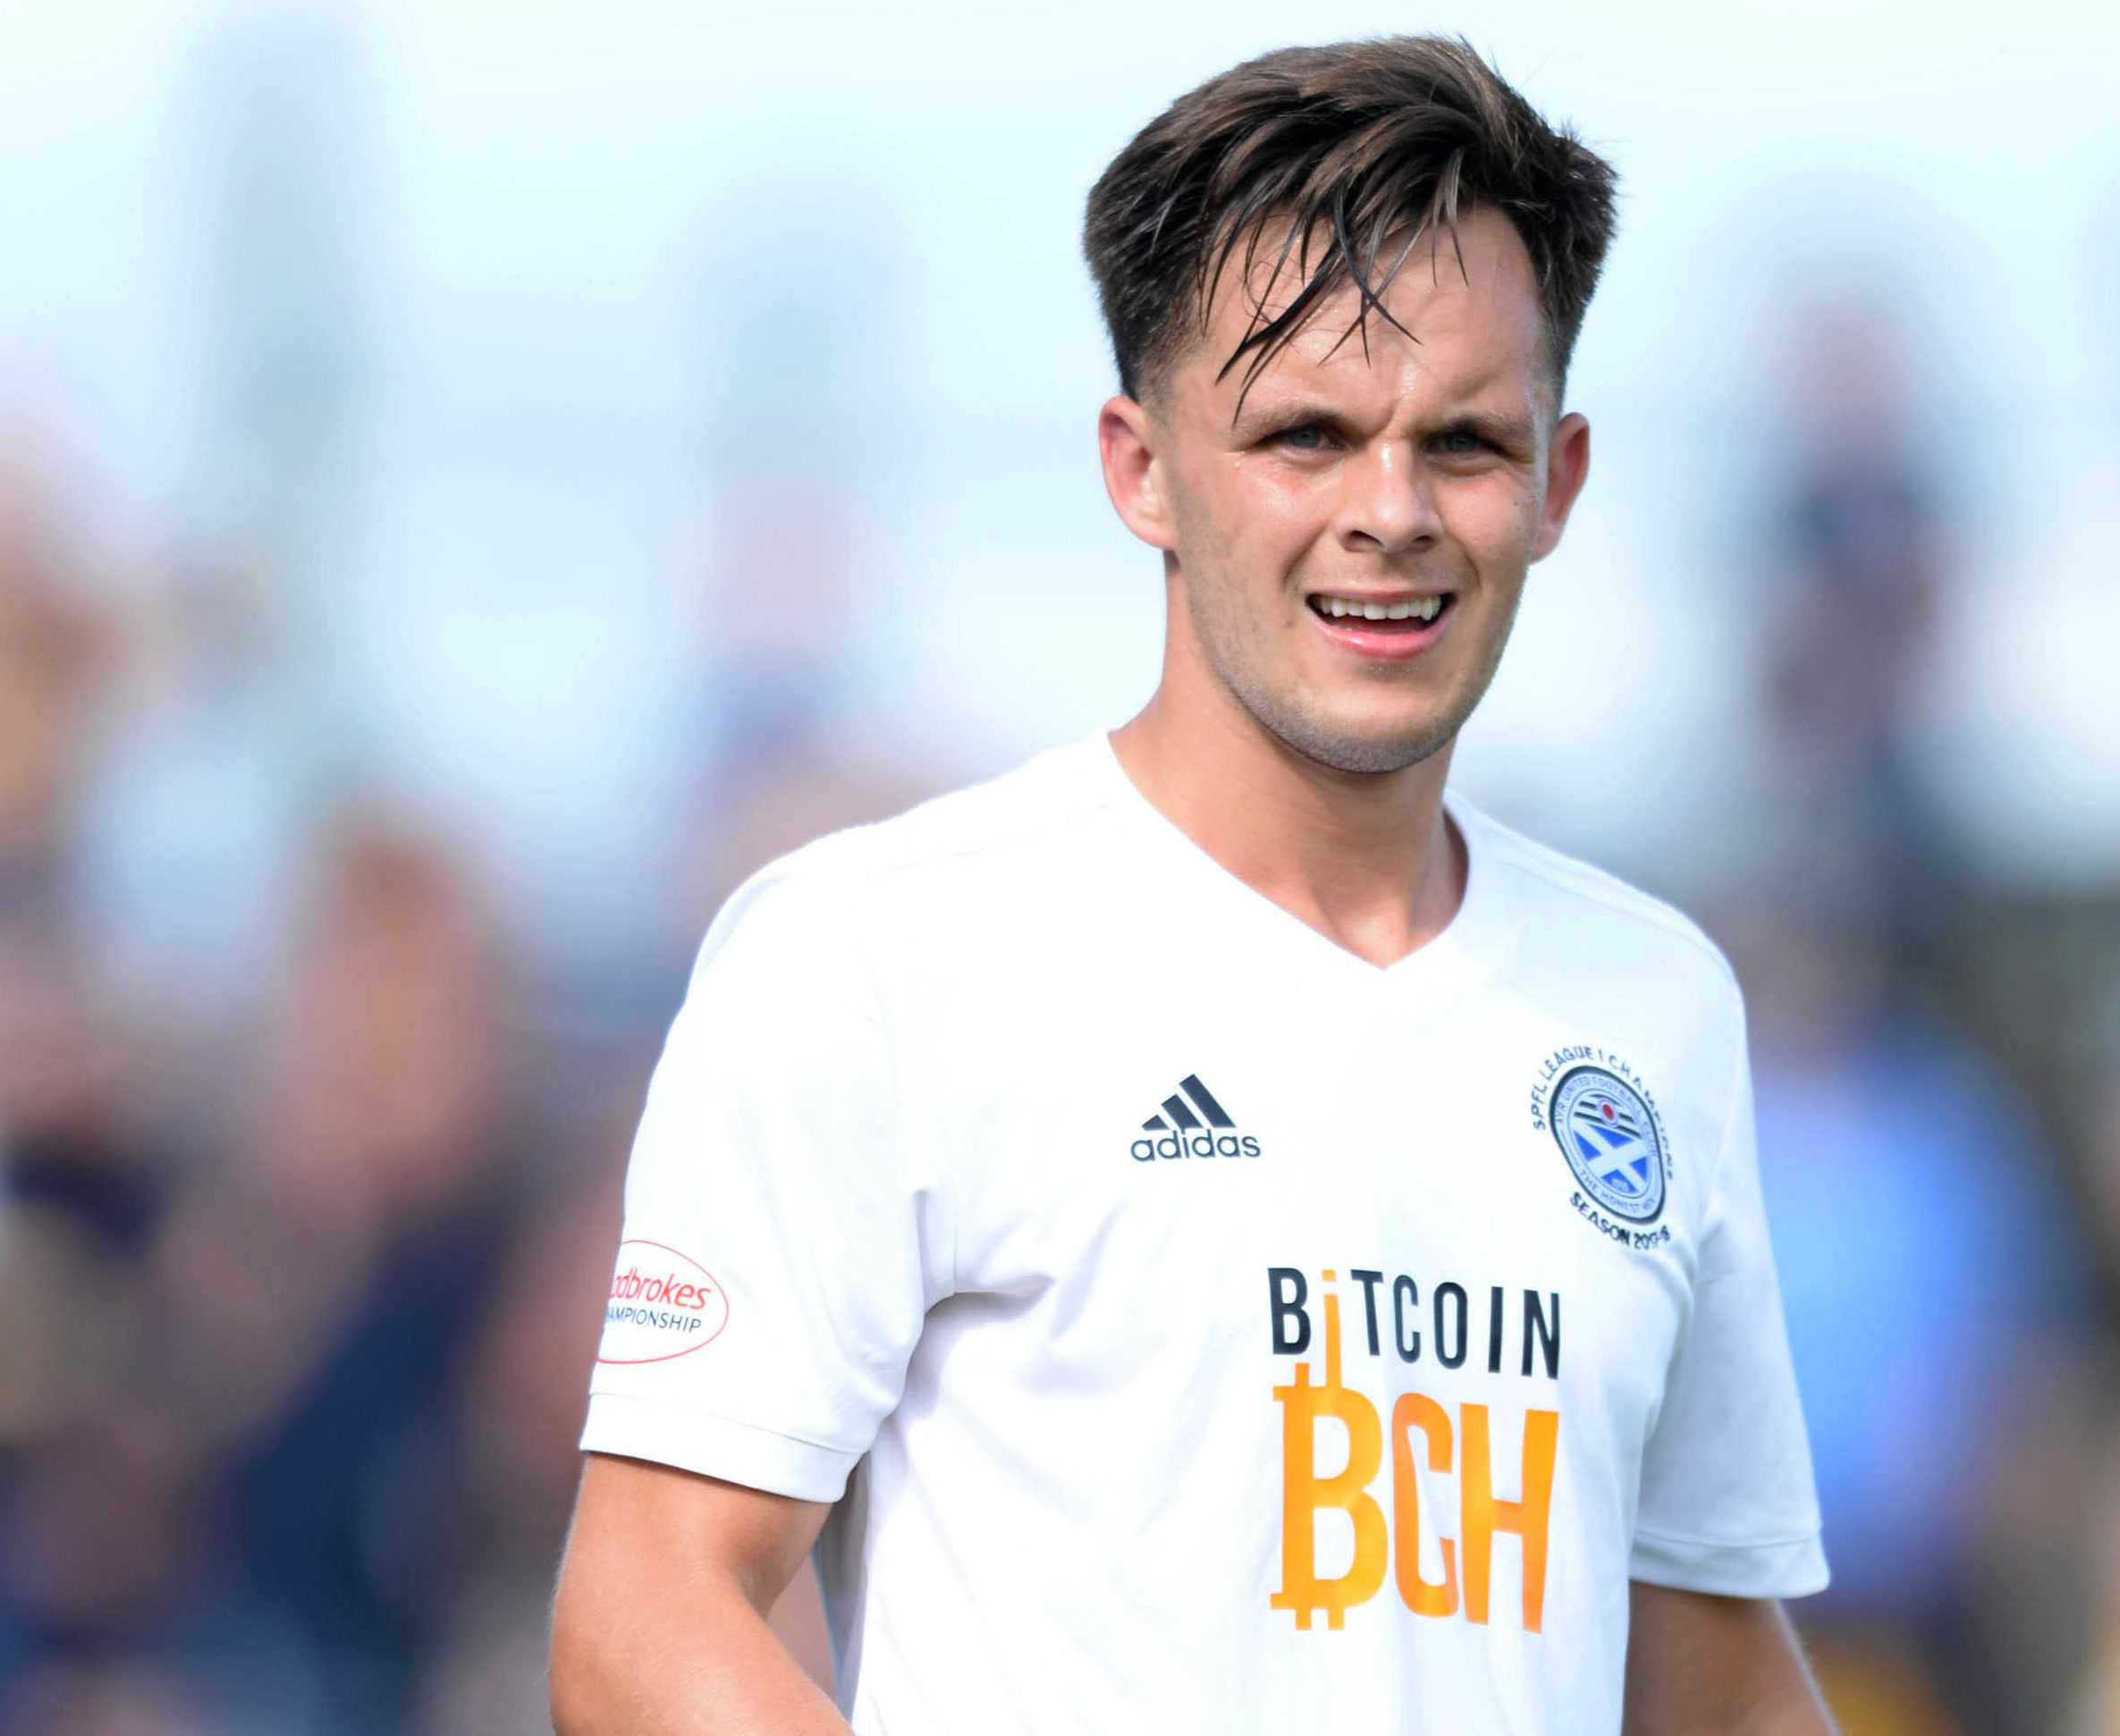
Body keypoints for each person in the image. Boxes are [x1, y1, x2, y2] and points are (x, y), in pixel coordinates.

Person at [549, 37, 1834, 1736]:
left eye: (1460, 441)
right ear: (1139, 466)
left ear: (1557, 480)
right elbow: (644, 1614)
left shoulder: (1649, 1002)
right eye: (1305, 435)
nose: (1391, 512)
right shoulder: (880, 952)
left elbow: (1711, 1674)